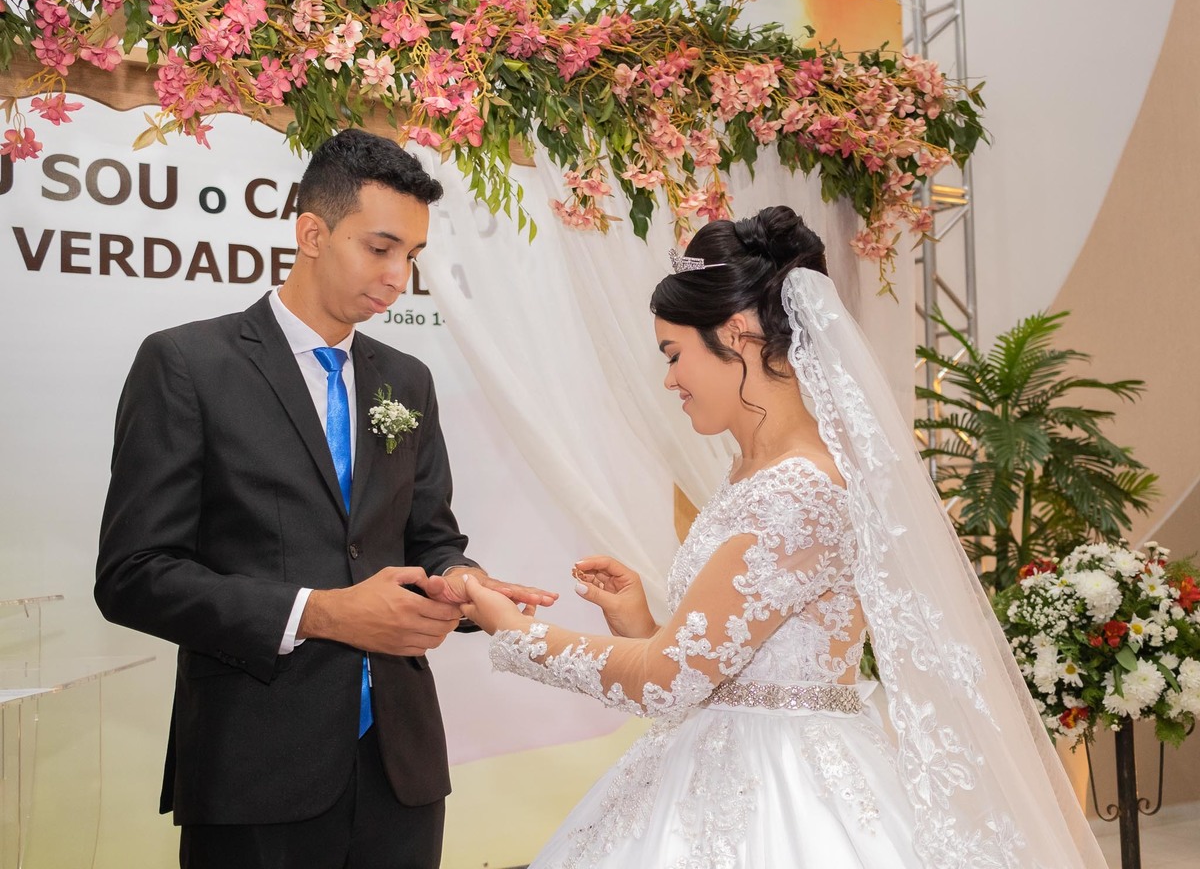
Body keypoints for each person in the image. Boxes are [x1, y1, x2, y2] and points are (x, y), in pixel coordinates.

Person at [459, 206, 1108, 867]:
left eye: (674, 353)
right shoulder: (754, 475)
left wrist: (515, 632)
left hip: (786, 793)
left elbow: (670, 681)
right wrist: (640, 621)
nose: (670, 380)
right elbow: (716, 669)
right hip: (728, 762)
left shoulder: (798, 492)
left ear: (736, 334)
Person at [95, 128, 555, 869]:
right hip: (254, 769)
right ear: (312, 232)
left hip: (401, 770)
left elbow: (429, 536)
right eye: (380, 248)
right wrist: (322, 612)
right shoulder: (186, 365)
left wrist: (462, 581)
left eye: (411, 255)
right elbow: (133, 576)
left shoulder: (406, 381)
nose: (399, 276)